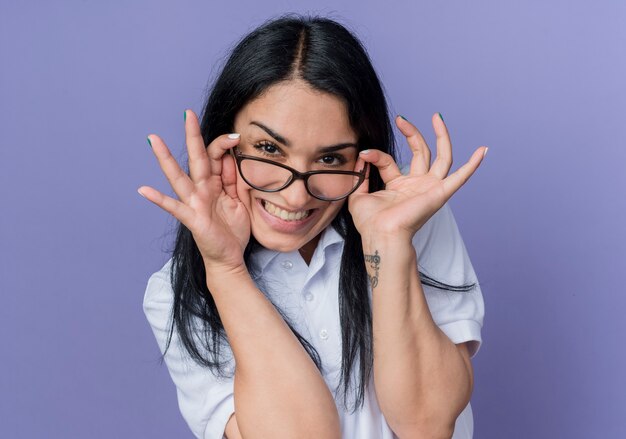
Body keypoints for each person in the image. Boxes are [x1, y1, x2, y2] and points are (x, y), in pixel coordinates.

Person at [138, 14, 487, 439]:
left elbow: (428, 424)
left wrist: (389, 242)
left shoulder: (408, 222)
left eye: (330, 159)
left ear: (363, 156)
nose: (296, 196)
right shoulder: (177, 290)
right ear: (225, 143)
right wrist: (225, 270)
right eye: (268, 149)